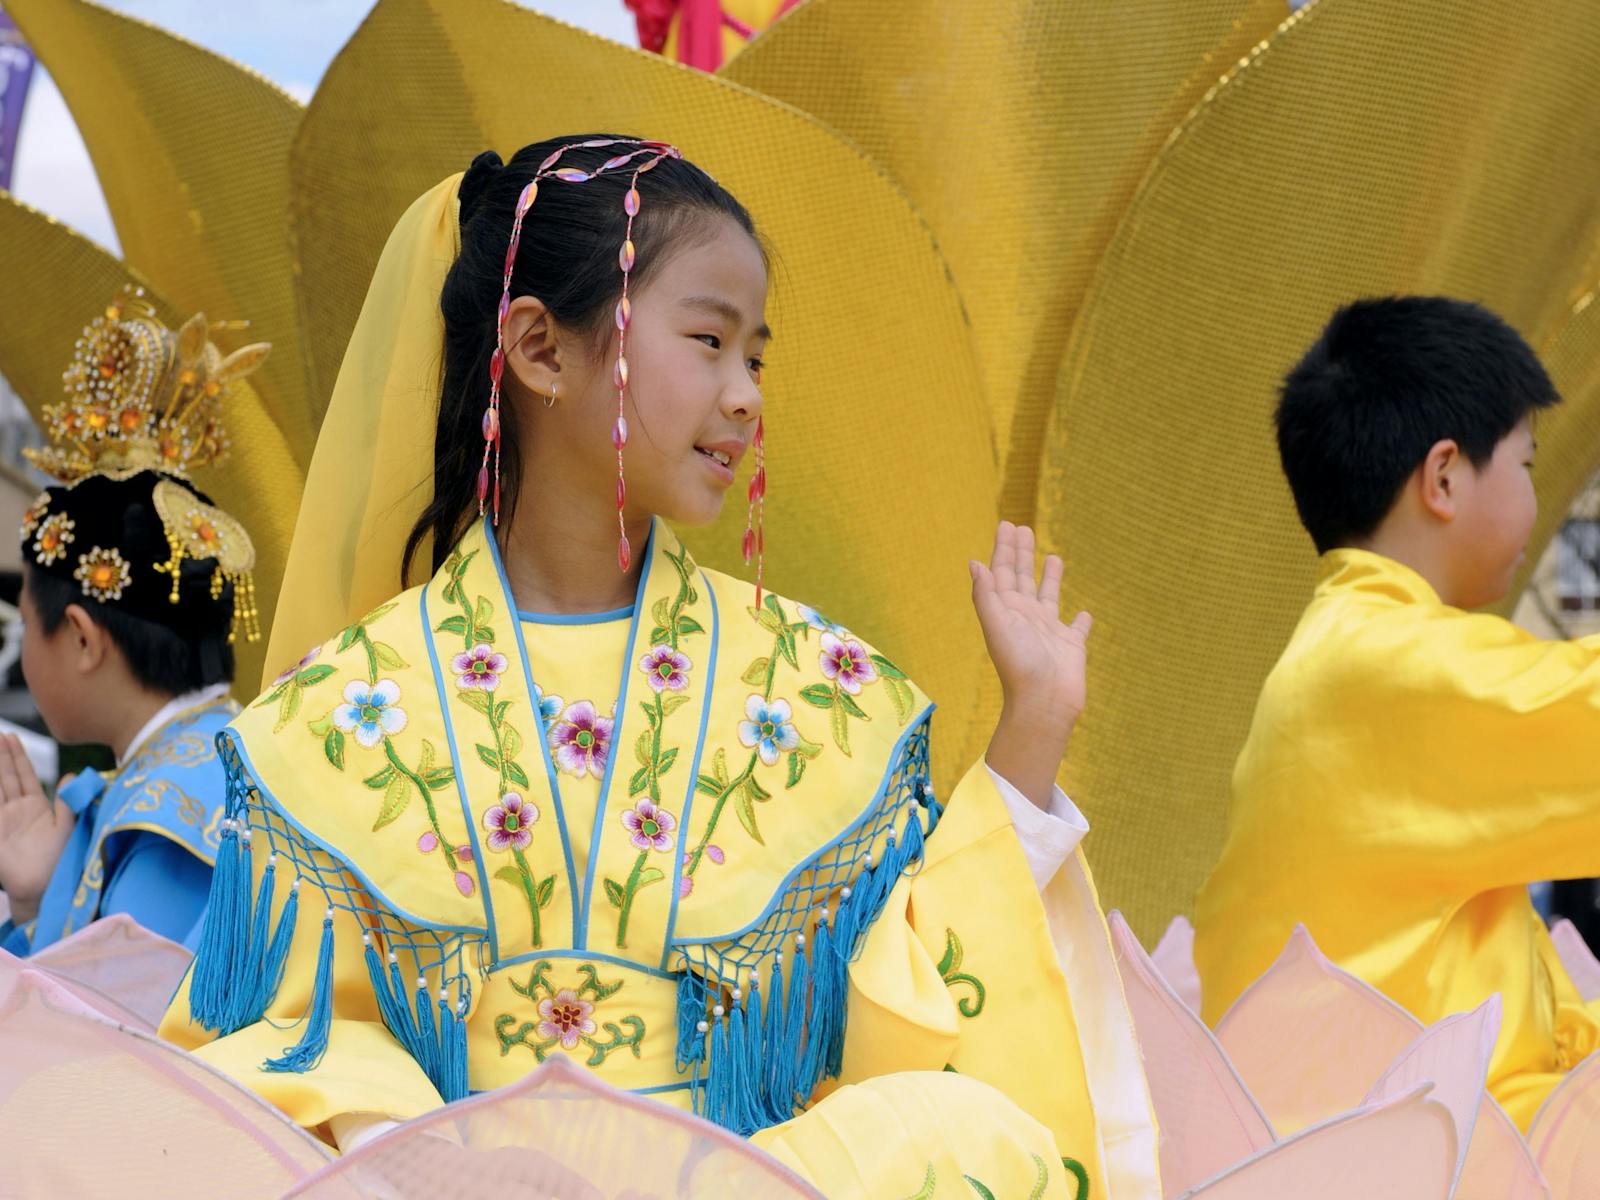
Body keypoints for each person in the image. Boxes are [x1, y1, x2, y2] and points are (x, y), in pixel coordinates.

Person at [160, 135, 1157, 1196]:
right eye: (709, 340)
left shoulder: (813, 690)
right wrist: (426, 1161)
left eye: (755, 356)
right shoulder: (345, 709)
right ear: (540, 350)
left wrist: (1033, 725)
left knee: (963, 1135)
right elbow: (282, 1046)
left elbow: (913, 1000)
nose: (746, 396)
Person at [1194, 295, 1598, 1129]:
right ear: (1444, 476)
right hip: (1437, 1150)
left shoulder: (1355, 652)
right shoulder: (1392, 668)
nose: (1535, 489)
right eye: (1525, 464)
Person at [0, 287, 267, 956]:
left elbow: (117, 1048)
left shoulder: (169, 815)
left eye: (29, 623)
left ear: (84, 639)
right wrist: (35, 900)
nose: (25, 651)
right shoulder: (214, 761)